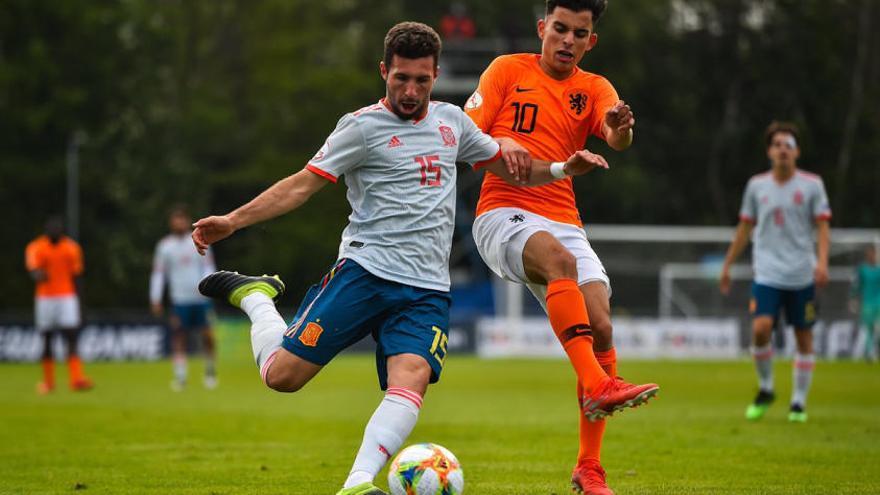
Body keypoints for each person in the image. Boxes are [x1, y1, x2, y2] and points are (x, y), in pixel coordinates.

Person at [191, 22, 645, 495]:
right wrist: (233, 220)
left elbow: (513, 167)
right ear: (384, 71)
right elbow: (300, 186)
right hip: (364, 273)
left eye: (422, 81)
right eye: (401, 79)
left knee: (412, 377)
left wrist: (558, 168)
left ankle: (358, 482)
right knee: (282, 378)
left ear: (436, 75)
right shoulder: (360, 127)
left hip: (427, 288)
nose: (410, 91)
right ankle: (257, 298)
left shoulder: (452, 122)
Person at [463, 1, 658, 493]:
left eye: (579, 33)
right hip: (501, 212)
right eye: (560, 29)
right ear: (542, 29)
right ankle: (597, 383)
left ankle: (589, 469)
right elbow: (466, 140)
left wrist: (622, 127)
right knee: (560, 261)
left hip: (563, 216)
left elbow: (615, 138)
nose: (568, 40)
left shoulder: (594, 87)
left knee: (602, 325)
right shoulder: (506, 70)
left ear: (591, 41)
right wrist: (500, 147)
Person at [720, 121, 832, 423]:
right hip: (767, 273)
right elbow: (745, 228)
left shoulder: (812, 185)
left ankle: (798, 403)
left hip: (801, 274)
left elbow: (823, 227)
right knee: (760, 329)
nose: (783, 149)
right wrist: (728, 264)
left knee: (803, 337)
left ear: (797, 152)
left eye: (789, 145)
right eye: (778, 144)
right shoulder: (757, 186)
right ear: (770, 151)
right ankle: (766, 388)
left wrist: (822, 262)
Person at [150, 206, 219, 391]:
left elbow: (209, 267)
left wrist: (210, 290)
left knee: (208, 337)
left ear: (187, 220)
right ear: (171, 223)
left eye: (181, 219)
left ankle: (210, 372)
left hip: (201, 299)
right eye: (175, 219)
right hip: (179, 299)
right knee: (179, 336)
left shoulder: (199, 240)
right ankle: (180, 377)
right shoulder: (165, 246)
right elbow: (158, 274)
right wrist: (155, 298)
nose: (178, 223)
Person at [25, 216, 93, 394]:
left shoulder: (71, 248)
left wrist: (80, 304)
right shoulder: (36, 247)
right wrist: (38, 274)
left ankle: (76, 379)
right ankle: (48, 382)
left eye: (57, 229)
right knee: (47, 337)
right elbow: (33, 270)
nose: (54, 232)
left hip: (67, 297)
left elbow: (77, 277)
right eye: (51, 229)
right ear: (46, 231)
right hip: (45, 298)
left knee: (71, 336)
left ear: (62, 231)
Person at [851, 245, 880, 361]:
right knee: (869, 329)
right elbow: (856, 285)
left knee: (877, 328)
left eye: (873, 253)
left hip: (878, 302)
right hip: (867, 303)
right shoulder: (862, 269)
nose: (871, 256)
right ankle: (870, 353)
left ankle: (875, 351)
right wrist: (853, 298)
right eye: (869, 253)